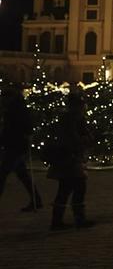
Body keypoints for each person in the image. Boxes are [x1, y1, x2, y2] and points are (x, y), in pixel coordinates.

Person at [46, 89, 95, 230]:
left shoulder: (68, 118)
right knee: (77, 188)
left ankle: (58, 220)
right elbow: (74, 139)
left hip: (68, 158)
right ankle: (78, 220)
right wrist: (85, 140)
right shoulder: (72, 119)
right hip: (70, 158)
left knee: (65, 189)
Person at [0, 85, 42, 212]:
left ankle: (37, 200)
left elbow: (15, 129)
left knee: (2, 174)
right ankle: (36, 200)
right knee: (22, 175)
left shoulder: (15, 110)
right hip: (16, 145)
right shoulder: (17, 108)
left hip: (15, 146)